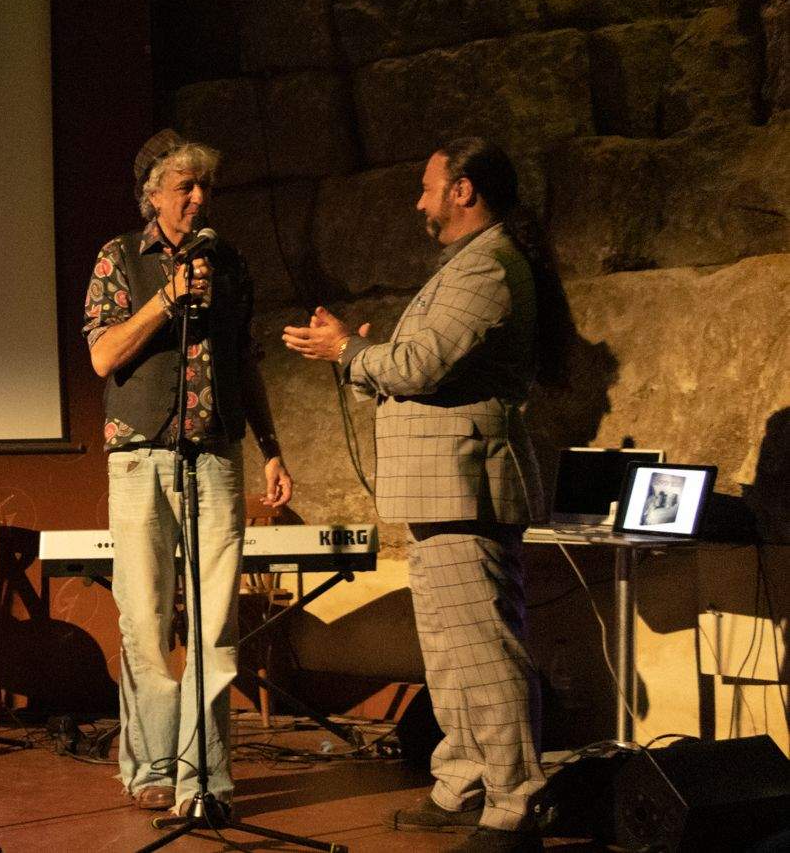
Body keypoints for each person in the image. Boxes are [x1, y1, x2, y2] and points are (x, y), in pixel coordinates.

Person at [284, 137, 568, 853]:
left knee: (484, 651)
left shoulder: (491, 268)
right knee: (448, 651)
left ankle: (516, 802)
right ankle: (465, 781)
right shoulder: (471, 264)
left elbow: (417, 365)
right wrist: (355, 353)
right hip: (440, 488)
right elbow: (413, 366)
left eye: (428, 186)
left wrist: (349, 351)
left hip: (467, 487)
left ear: (464, 190)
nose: (420, 200)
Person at [83, 130, 293, 815]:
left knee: (215, 623)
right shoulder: (119, 258)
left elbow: (246, 360)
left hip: (215, 452)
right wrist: (166, 299)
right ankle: (150, 763)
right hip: (140, 453)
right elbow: (103, 354)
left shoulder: (228, 262)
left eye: (204, 186)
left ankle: (203, 773)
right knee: (144, 618)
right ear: (152, 194)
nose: (198, 198)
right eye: (184, 187)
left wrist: (272, 446)